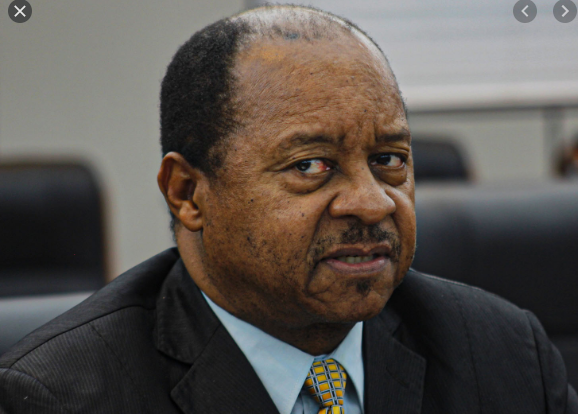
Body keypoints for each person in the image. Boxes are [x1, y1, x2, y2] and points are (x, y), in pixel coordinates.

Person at [1, 5, 577, 413]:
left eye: (388, 160)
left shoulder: (504, 355)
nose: (372, 202)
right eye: (311, 165)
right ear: (187, 193)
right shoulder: (61, 397)